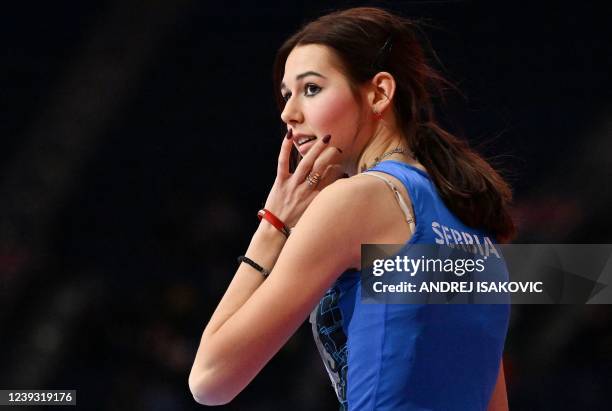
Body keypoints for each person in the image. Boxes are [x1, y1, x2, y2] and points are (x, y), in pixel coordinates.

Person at [189, 6, 515, 410]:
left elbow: (209, 379)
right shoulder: (468, 218)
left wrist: (273, 225)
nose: (288, 113)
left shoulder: (356, 200)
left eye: (311, 89)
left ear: (379, 92)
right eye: (286, 94)